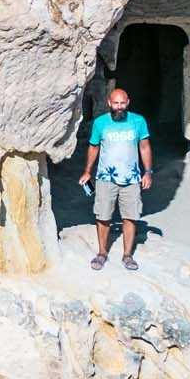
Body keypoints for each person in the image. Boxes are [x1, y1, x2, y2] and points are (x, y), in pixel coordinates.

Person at [79, 87, 153, 270]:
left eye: (122, 103)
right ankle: (102, 253)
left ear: (127, 103)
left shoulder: (138, 121)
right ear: (109, 103)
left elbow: (144, 147)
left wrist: (148, 172)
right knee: (103, 216)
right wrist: (87, 171)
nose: (119, 107)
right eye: (116, 103)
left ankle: (127, 255)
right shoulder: (100, 123)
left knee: (130, 216)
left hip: (132, 178)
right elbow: (93, 147)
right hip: (105, 177)